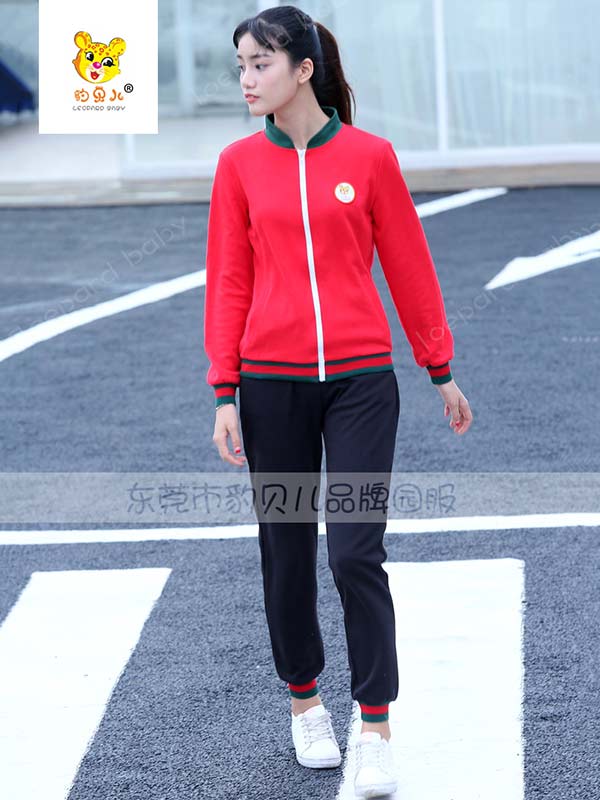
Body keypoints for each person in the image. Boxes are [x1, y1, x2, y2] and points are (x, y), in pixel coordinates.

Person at [204, 5, 473, 797]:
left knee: (355, 552)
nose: (247, 79)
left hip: (361, 383)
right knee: (286, 551)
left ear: (303, 70)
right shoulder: (237, 166)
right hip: (271, 386)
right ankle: (305, 704)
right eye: (241, 65)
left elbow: (409, 265)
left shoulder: (370, 157)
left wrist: (439, 366)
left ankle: (376, 726)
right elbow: (229, 279)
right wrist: (225, 389)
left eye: (260, 64)